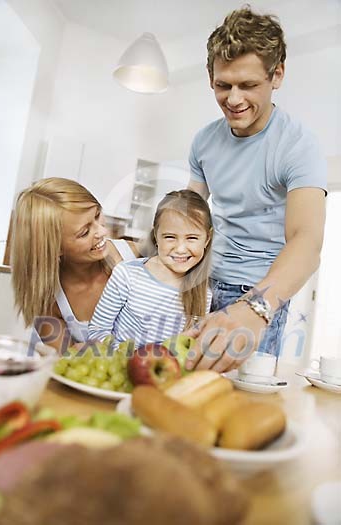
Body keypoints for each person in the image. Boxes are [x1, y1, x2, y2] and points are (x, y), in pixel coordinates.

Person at [186, 6, 327, 373]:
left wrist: (256, 307)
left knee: (237, 399)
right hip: (203, 283)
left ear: (276, 75)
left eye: (248, 85)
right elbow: (190, 218)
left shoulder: (298, 145)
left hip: (259, 292)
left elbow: (307, 241)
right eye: (223, 85)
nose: (233, 100)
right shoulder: (203, 142)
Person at [11, 177, 139, 352]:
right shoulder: (50, 302)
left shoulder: (136, 255)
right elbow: (67, 366)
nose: (102, 231)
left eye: (97, 215)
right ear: (55, 249)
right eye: (84, 232)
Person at [88, 190, 213, 348]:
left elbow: (189, 347)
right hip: (121, 365)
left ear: (207, 239)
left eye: (192, 238)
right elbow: (97, 332)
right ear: (156, 235)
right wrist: (131, 359)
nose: (181, 249)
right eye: (170, 237)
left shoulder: (204, 293)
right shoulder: (127, 274)